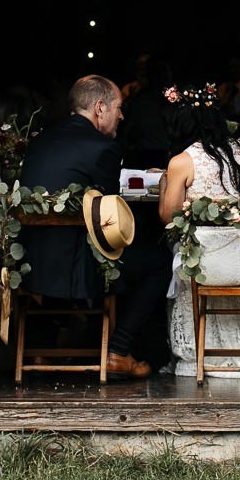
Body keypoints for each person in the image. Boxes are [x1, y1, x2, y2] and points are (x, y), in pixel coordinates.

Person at [21, 75, 171, 378]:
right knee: (158, 263)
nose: (122, 115)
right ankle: (118, 349)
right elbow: (107, 215)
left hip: (31, 264)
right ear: (100, 108)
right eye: (118, 107)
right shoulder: (103, 147)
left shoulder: (38, 141)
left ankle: (42, 348)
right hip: (76, 269)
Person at [157, 84, 240, 377]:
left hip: (208, 264)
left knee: (172, 254)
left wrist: (164, 185)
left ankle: (195, 350)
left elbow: (169, 217)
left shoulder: (181, 162)